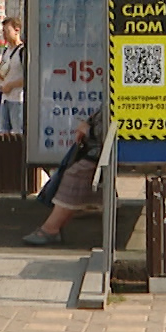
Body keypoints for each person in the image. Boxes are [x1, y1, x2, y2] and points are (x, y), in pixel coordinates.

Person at [22, 104, 107, 246]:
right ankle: (58, 223)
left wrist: (87, 130)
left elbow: (104, 131)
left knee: (75, 174)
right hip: (99, 149)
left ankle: (51, 229)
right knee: (73, 171)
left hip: (100, 151)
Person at [0, 18, 27, 134]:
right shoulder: (6, 51)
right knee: (3, 132)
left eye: (7, 31)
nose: (4, 34)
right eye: (3, 31)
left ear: (17, 30)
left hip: (18, 99)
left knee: (17, 132)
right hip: (5, 98)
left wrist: (11, 85)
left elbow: (29, 78)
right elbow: (3, 74)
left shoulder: (22, 51)